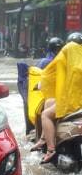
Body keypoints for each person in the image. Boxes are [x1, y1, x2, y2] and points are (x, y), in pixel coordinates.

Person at [33, 32, 82, 164]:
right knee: (49, 101)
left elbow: (49, 74)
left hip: (73, 102)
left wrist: (42, 84)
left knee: (45, 115)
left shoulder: (67, 51)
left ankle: (50, 149)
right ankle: (44, 137)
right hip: (76, 101)